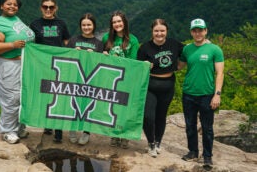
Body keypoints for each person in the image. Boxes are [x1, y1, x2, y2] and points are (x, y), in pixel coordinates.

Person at [0, 0, 35, 144]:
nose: (12, 6)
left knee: (21, 96)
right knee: (11, 98)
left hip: (21, 63)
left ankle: (18, 127)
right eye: (8, 4)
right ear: (1, 6)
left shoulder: (15, 19)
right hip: (7, 64)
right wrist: (12, 45)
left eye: (15, 4)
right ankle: (7, 130)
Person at [179, 18, 224, 167]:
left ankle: (207, 156)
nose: (198, 33)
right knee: (190, 125)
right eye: (195, 30)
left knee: (207, 127)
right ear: (191, 32)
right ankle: (193, 152)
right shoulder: (187, 49)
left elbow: (220, 73)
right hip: (188, 93)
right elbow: (178, 66)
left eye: (200, 30)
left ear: (206, 31)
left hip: (207, 95)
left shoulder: (215, 50)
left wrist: (217, 94)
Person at [137, 19, 184, 157]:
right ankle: (150, 142)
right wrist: (144, 66)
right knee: (148, 116)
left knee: (161, 116)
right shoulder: (145, 48)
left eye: (162, 31)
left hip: (168, 86)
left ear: (166, 31)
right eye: (156, 31)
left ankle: (158, 142)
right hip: (150, 85)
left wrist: (181, 65)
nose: (159, 33)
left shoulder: (174, 44)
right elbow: (137, 67)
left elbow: (190, 51)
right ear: (152, 32)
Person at [29, 0, 70, 143]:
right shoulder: (34, 24)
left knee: (57, 96)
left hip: (59, 65)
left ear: (55, 8)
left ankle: (58, 131)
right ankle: (47, 124)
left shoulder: (61, 23)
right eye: (45, 7)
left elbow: (66, 42)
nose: (48, 9)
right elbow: (29, 44)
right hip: (42, 64)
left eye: (51, 7)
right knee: (46, 95)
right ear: (41, 8)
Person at [102, 10, 139, 149]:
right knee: (113, 107)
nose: (117, 24)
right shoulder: (106, 38)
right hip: (111, 78)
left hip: (126, 79)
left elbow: (134, 61)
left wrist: (119, 60)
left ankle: (125, 135)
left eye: (119, 21)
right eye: (114, 22)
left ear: (124, 22)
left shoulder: (133, 40)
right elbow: (102, 55)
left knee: (125, 107)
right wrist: (104, 54)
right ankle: (114, 134)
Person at [67, 13, 104, 145]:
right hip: (75, 77)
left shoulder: (99, 44)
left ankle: (86, 132)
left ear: (93, 26)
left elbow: (102, 64)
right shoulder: (73, 40)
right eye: (83, 25)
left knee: (89, 106)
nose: (86, 27)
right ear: (80, 26)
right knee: (73, 103)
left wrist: (94, 56)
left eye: (89, 24)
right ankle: (72, 129)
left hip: (91, 79)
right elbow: (65, 59)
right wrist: (73, 53)